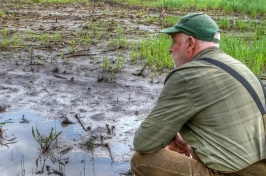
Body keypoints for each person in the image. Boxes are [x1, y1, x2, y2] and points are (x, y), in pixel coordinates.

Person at [130, 13, 266, 176]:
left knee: (141, 160)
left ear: (190, 43)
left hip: (235, 173)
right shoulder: (237, 66)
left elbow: (143, 142)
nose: (170, 48)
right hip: (260, 167)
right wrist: (176, 134)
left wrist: (166, 137)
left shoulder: (187, 76)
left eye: (174, 41)